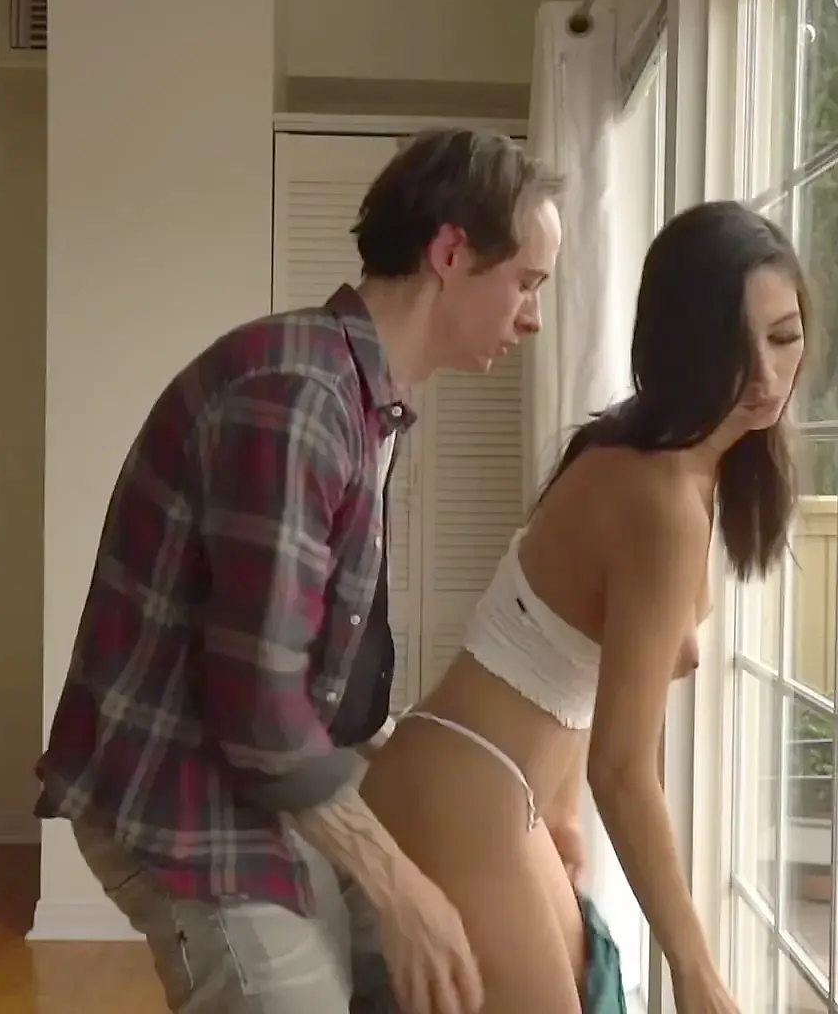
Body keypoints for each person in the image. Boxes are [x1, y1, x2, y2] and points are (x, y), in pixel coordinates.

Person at [33, 127, 564, 1014]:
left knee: (443, 965)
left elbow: (321, 683)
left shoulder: (365, 401)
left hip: (264, 772)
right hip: (184, 789)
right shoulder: (300, 400)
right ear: (450, 253)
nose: (533, 316)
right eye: (527, 282)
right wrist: (396, 883)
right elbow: (258, 708)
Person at [356, 199, 810, 1014]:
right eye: (735, 347)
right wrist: (695, 970)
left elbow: (569, 663)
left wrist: (560, 809)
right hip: (461, 787)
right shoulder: (660, 497)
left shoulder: (668, 464)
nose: (767, 376)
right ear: (683, 345)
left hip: (500, 789)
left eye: (784, 337)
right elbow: (624, 769)